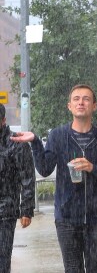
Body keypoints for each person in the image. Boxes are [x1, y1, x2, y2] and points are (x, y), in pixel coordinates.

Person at [11, 84, 97, 273]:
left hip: (96, 219)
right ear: (69, 106)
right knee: (72, 269)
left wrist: (92, 167)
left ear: (94, 106)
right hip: (66, 218)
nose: (81, 102)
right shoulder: (58, 136)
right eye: (76, 99)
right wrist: (36, 143)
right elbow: (45, 169)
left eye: (86, 99)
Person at [0, 103, 35, 272]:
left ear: (3, 120)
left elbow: (27, 177)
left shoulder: (16, 144)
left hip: (5, 212)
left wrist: (26, 209)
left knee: (2, 258)